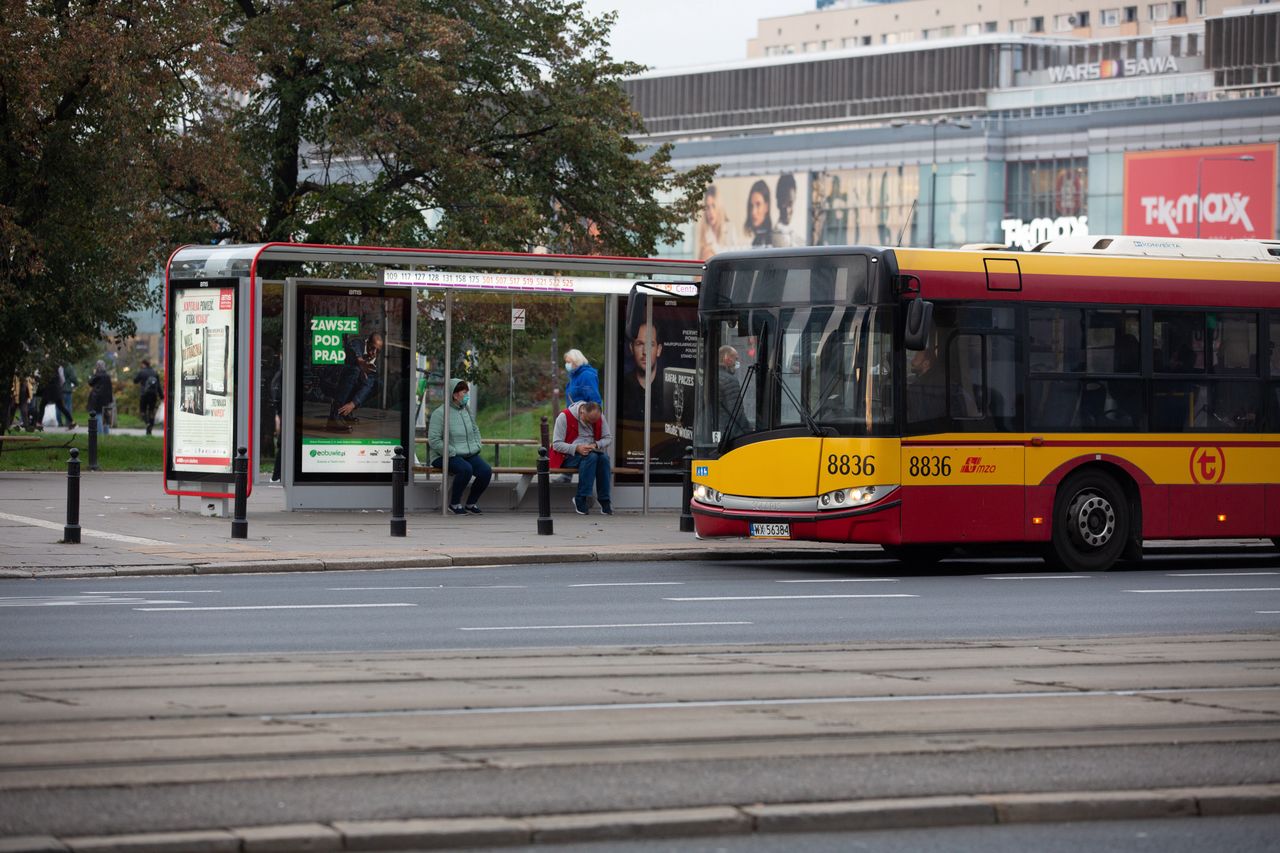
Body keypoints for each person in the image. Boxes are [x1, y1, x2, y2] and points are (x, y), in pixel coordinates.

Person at [427, 379, 490, 515]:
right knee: (465, 469)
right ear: (455, 395)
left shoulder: (465, 410)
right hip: (443, 455)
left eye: (467, 392)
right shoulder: (440, 413)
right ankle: (454, 504)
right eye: (464, 392)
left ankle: (471, 503)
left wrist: (477, 444)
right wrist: (451, 451)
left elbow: (475, 429)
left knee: (485, 471)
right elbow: (434, 440)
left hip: (467, 453)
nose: (467, 395)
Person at [550, 401, 613, 516]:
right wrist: (577, 448)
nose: (593, 423)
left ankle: (605, 500)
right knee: (592, 457)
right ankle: (581, 498)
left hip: (591, 451)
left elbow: (608, 438)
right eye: (589, 420)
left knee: (604, 458)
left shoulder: (599, 417)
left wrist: (596, 444)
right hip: (568, 456)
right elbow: (556, 444)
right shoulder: (564, 417)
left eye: (595, 421)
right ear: (582, 411)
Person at [326, 331, 384, 432]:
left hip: (348, 386)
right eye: (372, 348)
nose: (374, 353)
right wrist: (360, 361)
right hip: (331, 382)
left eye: (377, 351)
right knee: (355, 369)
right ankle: (334, 416)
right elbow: (352, 347)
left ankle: (345, 412)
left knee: (377, 384)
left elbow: (367, 386)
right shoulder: (358, 343)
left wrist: (353, 404)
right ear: (367, 343)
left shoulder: (373, 364)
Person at [619, 322, 666, 423]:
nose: (645, 352)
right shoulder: (621, 386)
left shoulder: (668, 388)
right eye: (639, 344)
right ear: (631, 348)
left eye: (650, 345)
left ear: (659, 350)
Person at [696, 184, 733, 259]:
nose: (710, 212)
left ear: (719, 206)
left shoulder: (730, 229)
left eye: (713, 206)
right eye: (708, 207)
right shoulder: (704, 232)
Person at [717, 345, 746, 435]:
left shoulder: (711, 376)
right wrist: (747, 431)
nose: (737, 363)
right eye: (735, 359)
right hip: (727, 433)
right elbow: (737, 412)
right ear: (727, 359)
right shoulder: (730, 380)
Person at [39, 364, 75, 429]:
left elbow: (42, 378)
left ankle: (39, 422)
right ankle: (72, 421)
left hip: (49, 389)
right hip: (56, 389)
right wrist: (59, 386)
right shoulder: (59, 367)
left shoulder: (45, 366)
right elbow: (62, 379)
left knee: (42, 405)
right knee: (61, 407)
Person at [133, 358, 162, 435]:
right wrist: (162, 396)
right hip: (153, 395)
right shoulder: (155, 372)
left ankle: (147, 423)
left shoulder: (142, 372)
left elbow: (135, 381)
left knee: (142, 411)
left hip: (144, 395)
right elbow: (158, 386)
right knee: (151, 412)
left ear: (143, 364)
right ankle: (149, 430)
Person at [743, 179, 773, 247]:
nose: (753, 212)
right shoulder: (756, 239)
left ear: (766, 207)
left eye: (758, 204)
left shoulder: (771, 241)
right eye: (751, 205)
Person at [87, 360, 113, 435]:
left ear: (97, 366)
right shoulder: (107, 376)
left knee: (98, 414)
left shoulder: (97, 375)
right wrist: (110, 399)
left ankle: (100, 434)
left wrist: (93, 374)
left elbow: (90, 382)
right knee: (106, 416)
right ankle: (106, 434)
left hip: (97, 398)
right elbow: (110, 388)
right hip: (106, 399)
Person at [772, 174, 798, 247]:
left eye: (790, 204)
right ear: (777, 203)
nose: (787, 210)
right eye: (783, 204)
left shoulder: (796, 230)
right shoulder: (777, 234)